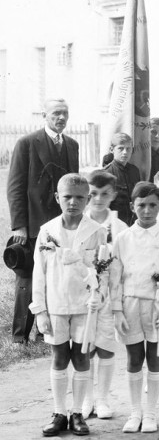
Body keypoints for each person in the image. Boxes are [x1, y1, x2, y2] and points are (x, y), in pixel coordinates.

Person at [31, 174, 113, 437]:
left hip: (84, 307)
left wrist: (97, 293)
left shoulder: (97, 232)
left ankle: (77, 412)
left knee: (80, 357)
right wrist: (40, 310)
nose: (73, 202)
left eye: (80, 197)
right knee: (59, 357)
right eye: (67, 197)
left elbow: (103, 271)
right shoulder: (47, 231)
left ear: (88, 199)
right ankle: (59, 412)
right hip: (55, 304)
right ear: (58, 198)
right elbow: (39, 273)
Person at [112, 181, 159, 433]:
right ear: (132, 207)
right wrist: (117, 310)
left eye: (152, 205)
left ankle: (151, 413)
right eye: (141, 205)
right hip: (130, 303)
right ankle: (135, 413)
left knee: (155, 357)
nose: (147, 210)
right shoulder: (122, 238)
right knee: (134, 358)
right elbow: (115, 277)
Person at [7, 98, 80, 343]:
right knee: (28, 278)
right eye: (56, 113)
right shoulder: (27, 143)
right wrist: (19, 225)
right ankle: (20, 336)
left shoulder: (72, 145)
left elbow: (73, 185)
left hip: (60, 224)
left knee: (55, 276)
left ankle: (44, 331)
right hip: (33, 222)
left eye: (65, 113)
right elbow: (15, 186)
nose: (61, 118)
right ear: (44, 115)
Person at [83, 171, 125, 418]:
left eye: (104, 194)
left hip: (110, 295)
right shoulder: (80, 222)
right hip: (86, 296)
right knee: (86, 346)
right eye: (93, 193)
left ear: (113, 195)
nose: (98, 199)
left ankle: (103, 399)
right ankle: (87, 398)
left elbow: (123, 265)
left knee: (107, 346)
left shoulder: (119, 226)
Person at [101, 132, 139, 226]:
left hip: (133, 221)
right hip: (115, 222)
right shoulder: (106, 173)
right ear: (111, 149)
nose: (125, 152)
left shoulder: (135, 171)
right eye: (121, 148)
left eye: (128, 149)